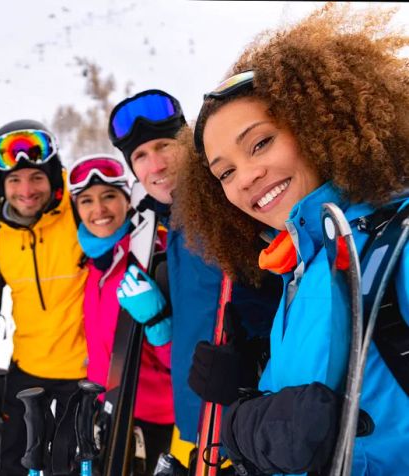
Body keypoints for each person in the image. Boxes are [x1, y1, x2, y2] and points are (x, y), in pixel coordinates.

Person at [178, 4, 409, 474]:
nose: (246, 177)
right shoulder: (299, 267)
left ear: (319, 125)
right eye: (224, 172)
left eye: (260, 143)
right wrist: (253, 394)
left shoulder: (396, 245)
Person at [108, 89, 280, 468]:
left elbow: (284, 301)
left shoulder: (230, 210)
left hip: (245, 428)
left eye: (165, 146)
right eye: (140, 156)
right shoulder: (174, 226)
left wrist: (253, 367)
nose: (155, 165)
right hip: (194, 423)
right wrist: (161, 320)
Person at [0, 119, 88, 475]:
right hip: (27, 370)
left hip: (86, 376)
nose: (26, 189)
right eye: (14, 180)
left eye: (36, 176)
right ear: (1, 186)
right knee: (13, 466)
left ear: (53, 177)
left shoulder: (80, 212)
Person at [68, 154, 174, 474]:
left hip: (153, 421)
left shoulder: (155, 253)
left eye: (109, 196)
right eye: (86, 201)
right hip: (108, 408)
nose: (98, 210)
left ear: (128, 201)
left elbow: (182, 354)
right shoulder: (94, 264)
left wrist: (159, 323)